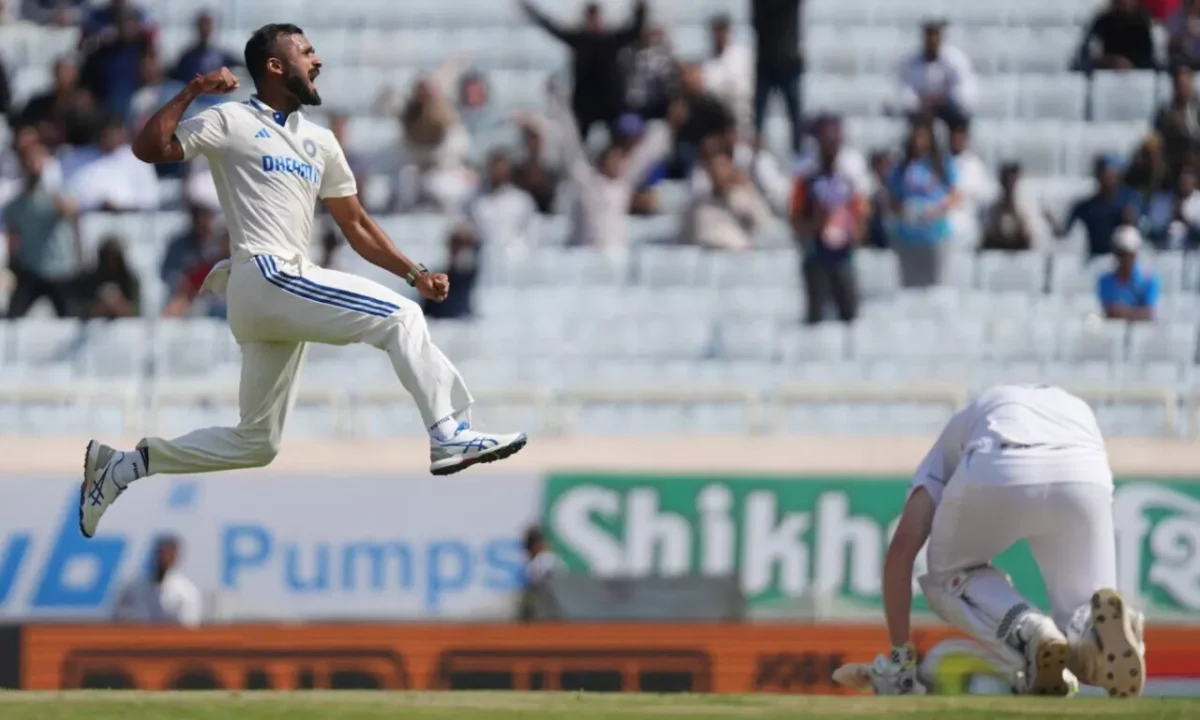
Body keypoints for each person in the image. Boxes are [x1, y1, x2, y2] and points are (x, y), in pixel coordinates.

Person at [79, 24, 528, 540]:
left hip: (272, 296)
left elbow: (356, 225)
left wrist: (415, 273)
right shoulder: (230, 118)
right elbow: (149, 149)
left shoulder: (320, 141)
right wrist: (192, 91)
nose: (318, 62)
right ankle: (449, 432)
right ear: (275, 66)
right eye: (307, 52)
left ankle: (123, 467)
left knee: (257, 444)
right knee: (399, 317)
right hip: (265, 272)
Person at [839, 385, 1145, 698]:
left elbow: (900, 554)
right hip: (1084, 468)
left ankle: (1030, 631)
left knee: (947, 576)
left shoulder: (943, 450)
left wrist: (900, 660)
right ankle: (1097, 629)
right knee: (1084, 605)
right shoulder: (1065, 403)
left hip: (1001, 460)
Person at [545, 83, 682, 249]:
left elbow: (647, 152)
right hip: (584, 257)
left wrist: (669, 124)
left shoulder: (623, 184)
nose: (617, 164)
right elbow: (570, 145)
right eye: (613, 159)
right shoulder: (585, 180)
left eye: (621, 160)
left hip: (614, 261)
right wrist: (559, 106)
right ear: (603, 160)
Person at [518, 0, 647, 142]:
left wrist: (640, 7)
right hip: (584, 104)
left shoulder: (610, 39)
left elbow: (634, 30)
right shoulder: (579, 39)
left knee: (618, 141)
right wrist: (529, 9)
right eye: (591, 18)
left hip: (611, 103)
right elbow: (550, 26)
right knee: (576, 144)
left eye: (596, 18)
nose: (594, 22)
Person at [792, 127, 866, 323]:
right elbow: (796, 217)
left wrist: (852, 232)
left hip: (843, 255)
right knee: (815, 312)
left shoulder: (847, 182)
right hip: (815, 253)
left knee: (849, 311)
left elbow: (859, 214)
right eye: (826, 146)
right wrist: (815, 225)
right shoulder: (807, 182)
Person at [3, 140, 79, 318]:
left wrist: (49, 182)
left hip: (61, 270)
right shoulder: (15, 202)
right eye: (28, 161)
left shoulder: (58, 192)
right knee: (12, 318)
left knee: (70, 318)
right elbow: (13, 239)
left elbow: (70, 209)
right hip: (31, 271)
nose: (33, 166)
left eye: (36, 161)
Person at [888, 120, 958, 287]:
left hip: (935, 235)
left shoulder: (941, 164)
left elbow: (955, 195)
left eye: (924, 137)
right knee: (909, 287)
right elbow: (892, 198)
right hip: (907, 236)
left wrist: (937, 209)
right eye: (916, 137)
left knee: (935, 287)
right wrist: (905, 210)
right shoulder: (902, 167)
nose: (919, 142)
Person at [679, 147, 773, 251]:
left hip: (737, 256)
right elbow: (685, 235)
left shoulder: (744, 198)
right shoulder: (699, 203)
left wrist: (747, 190)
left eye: (722, 166)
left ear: (731, 167)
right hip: (704, 257)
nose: (717, 171)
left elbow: (764, 228)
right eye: (713, 167)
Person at [1050, 155, 1141, 258]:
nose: (1108, 179)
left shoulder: (1129, 200)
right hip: (1095, 261)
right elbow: (1064, 231)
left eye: (1111, 175)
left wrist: (1129, 221)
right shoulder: (1087, 207)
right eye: (1104, 174)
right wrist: (1052, 222)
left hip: (1119, 263)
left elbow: (1135, 231)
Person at [896, 20, 977, 129]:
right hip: (921, 109)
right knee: (915, 119)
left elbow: (964, 91)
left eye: (936, 35)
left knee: (960, 118)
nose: (932, 40)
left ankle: (956, 145)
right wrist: (920, 101)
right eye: (929, 36)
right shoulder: (910, 61)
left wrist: (943, 99)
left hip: (948, 108)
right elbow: (904, 91)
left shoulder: (955, 59)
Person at [112, 535, 202, 627]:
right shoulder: (133, 588)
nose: (163, 558)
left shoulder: (187, 592)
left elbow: (189, 627)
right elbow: (118, 618)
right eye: (161, 554)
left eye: (168, 555)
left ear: (175, 558)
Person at [751, 0, 804, 154]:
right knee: (758, 118)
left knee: (794, 116)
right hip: (766, 62)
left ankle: (798, 152)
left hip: (787, 62)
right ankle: (756, 153)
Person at [466, 151, 540, 257]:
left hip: (515, 256)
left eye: (501, 170)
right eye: (494, 169)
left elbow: (531, 232)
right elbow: (470, 231)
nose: (497, 173)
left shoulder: (522, 200)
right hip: (484, 256)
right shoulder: (476, 202)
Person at [703, 13, 754, 136]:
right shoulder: (706, 60)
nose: (718, 36)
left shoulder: (742, 56)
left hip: (742, 122)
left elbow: (742, 89)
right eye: (716, 31)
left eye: (722, 30)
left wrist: (716, 88)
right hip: (714, 123)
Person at [1097, 226, 1161, 322]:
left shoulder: (1149, 279)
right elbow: (1108, 311)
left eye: (1128, 254)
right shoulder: (1105, 280)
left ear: (1135, 254)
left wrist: (1122, 312)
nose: (1125, 259)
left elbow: (1148, 313)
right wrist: (1135, 313)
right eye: (1121, 253)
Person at [1078, 0, 1156, 71]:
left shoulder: (1142, 24)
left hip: (1137, 78)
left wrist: (1131, 65)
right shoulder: (1102, 22)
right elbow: (1088, 55)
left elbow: (1148, 58)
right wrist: (1112, 62)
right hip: (1104, 76)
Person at [171, 10, 241, 84]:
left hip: (217, 94)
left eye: (208, 25)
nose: (205, 28)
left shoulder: (223, 56)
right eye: (202, 25)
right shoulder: (187, 57)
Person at [80, 236, 140, 319]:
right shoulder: (91, 280)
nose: (111, 263)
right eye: (107, 258)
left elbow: (137, 311)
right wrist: (100, 305)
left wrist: (120, 305)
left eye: (115, 258)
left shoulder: (129, 281)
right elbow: (82, 309)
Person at [981, 163, 1035, 252]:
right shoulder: (991, 207)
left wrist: (1013, 208)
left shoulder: (1028, 206)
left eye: (1012, 180)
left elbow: (1029, 239)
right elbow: (987, 239)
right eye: (1006, 181)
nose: (1009, 184)